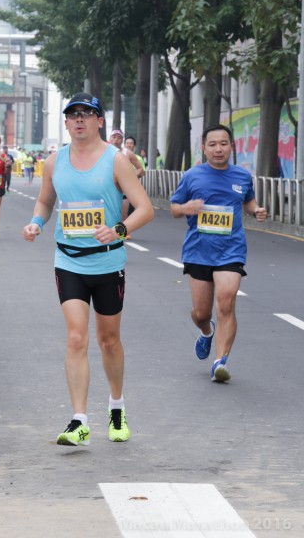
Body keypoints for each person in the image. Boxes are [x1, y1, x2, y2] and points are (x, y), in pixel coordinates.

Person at [23, 92, 154, 447]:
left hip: (108, 261)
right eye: (73, 114)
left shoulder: (116, 160)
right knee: (76, 337)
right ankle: (79, 420)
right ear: (66, 122)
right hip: (68, 260)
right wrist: (36, 222)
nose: (79, 119)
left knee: (108, 340)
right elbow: (45, 201)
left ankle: (116, 407)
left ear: (99, 120)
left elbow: (145, 208)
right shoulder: (54, 162)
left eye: (87, 113)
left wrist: (118, 230)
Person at [170, 124, 267, 383]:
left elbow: (248, 201)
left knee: (226, 301)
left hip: (231, 250)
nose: (218, 149)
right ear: (203, 148)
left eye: (223, 143)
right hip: (198, 251)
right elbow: (174, 208)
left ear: (231, 146)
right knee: (201, 313)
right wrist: (186, 208)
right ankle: (206, 331)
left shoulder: (242, 176)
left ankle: (220, 361)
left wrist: (256, 210)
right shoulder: (192, 176)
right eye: (212, 144)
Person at [109, 129, 145, 235]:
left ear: (122, 140)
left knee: (123, 216)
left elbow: (141, 169)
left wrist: (130, 178)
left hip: (124, 189)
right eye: (114, 137)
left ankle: (122, 235)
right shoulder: (103, 152)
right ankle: (108, 234)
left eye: (119, 137)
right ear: (110, 139)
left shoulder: (127, 153)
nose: (116, 140)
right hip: (108, 188)